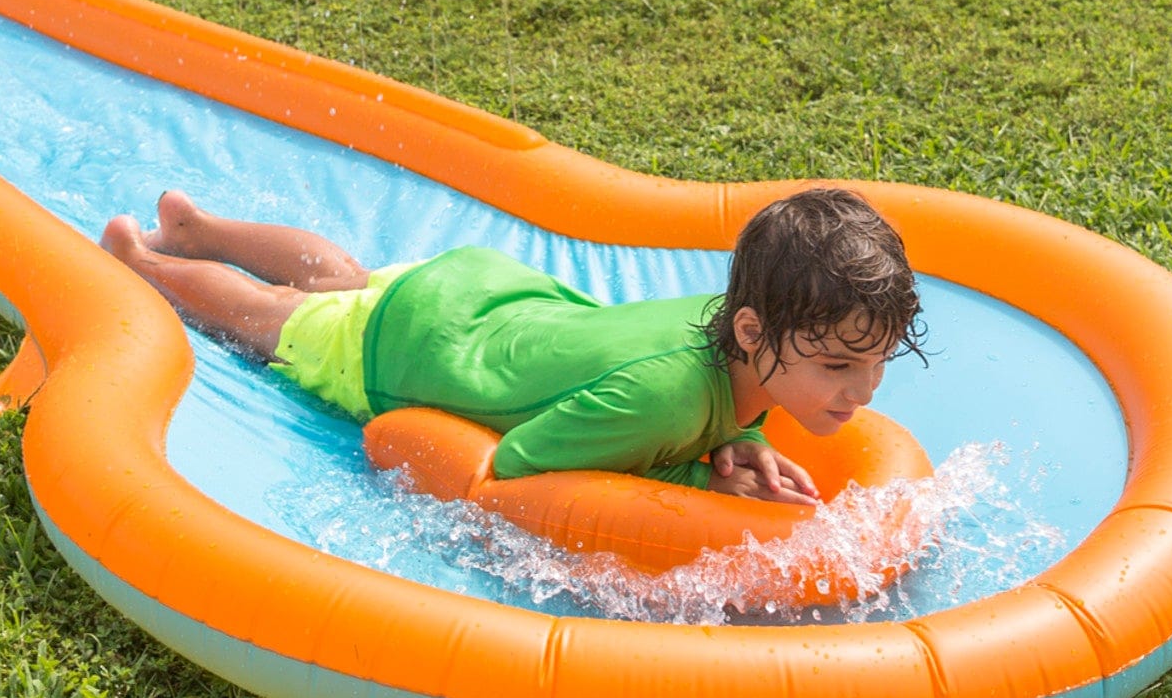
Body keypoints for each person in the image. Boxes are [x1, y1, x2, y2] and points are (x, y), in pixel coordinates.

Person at [100, 184, 922, 506]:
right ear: (754, 332)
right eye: (839, 364)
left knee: (343, 278)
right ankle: (146, 258)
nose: (865, 387)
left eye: (878, 359)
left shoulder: (733, 321)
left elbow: (711, 400)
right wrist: (695, 471)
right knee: (270, 317)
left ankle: (200, 226)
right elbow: (526, 461)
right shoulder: (665, 399)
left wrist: (738, 439)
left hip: (484, 293)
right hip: (419, 347)